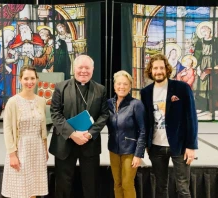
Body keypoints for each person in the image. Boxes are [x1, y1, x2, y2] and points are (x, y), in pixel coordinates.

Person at [49, 55, 109, 198]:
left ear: (92, 70)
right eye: (80, 67)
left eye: (87, 68)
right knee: (63, 185)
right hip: (65, 142)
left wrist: (89, 134)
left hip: (89, 143)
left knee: (91, 185)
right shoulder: (60, 87)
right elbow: (55, 113)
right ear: (73, 69)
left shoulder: (100, 89)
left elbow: (104, 115)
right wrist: (72, 134)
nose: (83, 71)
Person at [140, 54, 198, 198]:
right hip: (156, 147)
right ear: (150, 71)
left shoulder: (181, 88)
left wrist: (191, 146)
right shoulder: (145, 92)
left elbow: (191, 118)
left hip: (179, 146)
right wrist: (146, 144)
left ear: (167, 69)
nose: (158, 71)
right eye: (155, 68)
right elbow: (146, 120)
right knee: (160, 188)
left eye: (161, 67)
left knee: (183, 189)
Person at [1, 65, 48, 198]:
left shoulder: (41, 101)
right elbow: (7, 129)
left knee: (33, 189)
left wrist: (45, 149)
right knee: (21, 189)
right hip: (20, 148)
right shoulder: (12, 102)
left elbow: (42, 128)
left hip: (37, 148)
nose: (29, 82)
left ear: (37, 79)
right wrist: (12, 154)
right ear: (20, 79)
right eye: (26, 78)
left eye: (32, 78)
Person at [106, 70, 146, 198]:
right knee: (117, 183)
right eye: (119, 83)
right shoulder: (109, 104)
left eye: (125, 84)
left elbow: (143, 131)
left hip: (130, 151)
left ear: (130, 86)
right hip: (113, 149)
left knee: (127, 184)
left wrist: (138, 154)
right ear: (114, 86)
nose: (121, 87)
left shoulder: (136, 104)